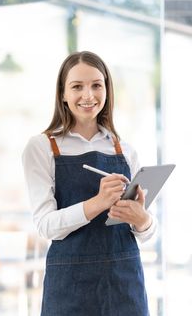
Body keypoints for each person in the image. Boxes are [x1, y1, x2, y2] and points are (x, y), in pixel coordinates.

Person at [22, 51, 157, 316]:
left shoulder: (125, 150)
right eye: (77, 87)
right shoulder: (41, 147)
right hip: (70, 287)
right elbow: (46, 226)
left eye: (97, 85)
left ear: (107, 89)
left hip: (125, 283)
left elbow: (147, 234)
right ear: (62, 93)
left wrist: (143, 220)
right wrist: (97, 203)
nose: (88, 95)